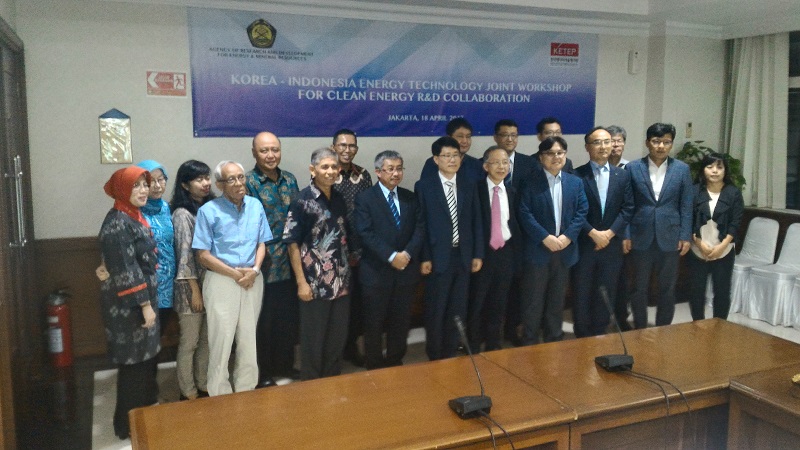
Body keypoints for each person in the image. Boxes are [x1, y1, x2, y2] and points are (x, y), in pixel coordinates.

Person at [192, 161, 272, 396]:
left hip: (252, 278)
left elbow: (261, 243)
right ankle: (219, 393)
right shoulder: (208, 211)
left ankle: (247, 388)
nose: (238, 183)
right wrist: (235, 274)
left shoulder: (255, 206)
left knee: (248, 338)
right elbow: (203, 255)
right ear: (219, 185)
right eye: (231, 179)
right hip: (222, 280)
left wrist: (255, 270)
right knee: (221, 340)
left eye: (241, 177)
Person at [98, 166, 159, 439]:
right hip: (129, 306)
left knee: (143, 362)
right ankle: (126, 426)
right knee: (133, 365)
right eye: (136, 185)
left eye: (145, 184)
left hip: (142, 300)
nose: (144, 190)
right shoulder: (118, 223)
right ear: (122, 189)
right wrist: (145, 306)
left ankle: (142, 418)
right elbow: (126, 269)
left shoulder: (133, 215)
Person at [284, 148, 351, 380]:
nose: (330, 171)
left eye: (334, 167)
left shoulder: (339, 198)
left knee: (337, 337)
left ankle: (332, 379)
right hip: (313, 283)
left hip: (341, 281)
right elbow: (292, 244)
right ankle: (312, 384)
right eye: (325, 167)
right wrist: (301, 283)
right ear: (313, 170)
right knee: (313, 339)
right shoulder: (301, 201)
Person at [354, 150, 424, 369]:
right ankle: (374, 363)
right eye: (390, 169)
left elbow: (420, 228)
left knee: (401, 320)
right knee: (373, 322)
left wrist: (407, 254)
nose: (396, 173)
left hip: (406, 271)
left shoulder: (410, 197)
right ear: (378, 172)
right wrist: (391, 256)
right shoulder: (365, 198)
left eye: (399, 168)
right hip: (376, 272)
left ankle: (395, 359)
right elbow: (365, 232)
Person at [415, 136, 483, 360]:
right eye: (447, 156)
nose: (452, 160)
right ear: (436, 159)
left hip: (463, 256)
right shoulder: (424, 186)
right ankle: (435, 354)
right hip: (437, 257)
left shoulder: (468, 184)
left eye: (456, 155)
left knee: (458, 308)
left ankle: (451, 349)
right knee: (436, 308)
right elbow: (421, 225)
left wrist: (477, 254)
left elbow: (476, 221)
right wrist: (425, 257)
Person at [517, 136, 587, 344]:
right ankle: (530, 339)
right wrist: (544, 237)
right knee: (533, 300)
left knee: (557, 300)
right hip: (538, 250)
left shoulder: (575, 182)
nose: (556, 157)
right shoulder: (529, 182)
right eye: (550, 153)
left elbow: (582, 211)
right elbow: (524, 213)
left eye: (560, 153)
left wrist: (568, 237)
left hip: (565, 250)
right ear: (541, 157)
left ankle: (554, 337)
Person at [245, 131, 301, 387]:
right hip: (264, 264)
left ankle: (285, 365)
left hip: (291, 261)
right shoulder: (248, 182)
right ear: (254, 153)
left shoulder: (289, 179)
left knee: (287, 320)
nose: (271, 155)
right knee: (263, 323)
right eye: (264, 150)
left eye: (275, 149)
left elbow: (299, 216)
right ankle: (262, 373)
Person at [625, 123, 694, 329]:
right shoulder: (633, 168)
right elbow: (627, 205)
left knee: (667, 288)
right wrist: (626, 234)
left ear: (671, 144)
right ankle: (639, 327)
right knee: (639, 287)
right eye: (656, 141)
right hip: (640, 235)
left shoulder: (682, 169)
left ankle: (664, 329)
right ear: (647, 143)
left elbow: (686, 205)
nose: (661, 146)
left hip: (670, 236)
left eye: (666, 142)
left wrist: (685, 235)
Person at [572, 127, 634, 338]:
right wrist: (593, 233)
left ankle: (600, 331)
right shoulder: (576, 175)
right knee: (582, 290)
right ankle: (582, 333)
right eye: (597, 142)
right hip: (585, 243)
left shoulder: (622, 175)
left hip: (611, 244)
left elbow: (628, 209)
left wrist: (609, 233)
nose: (603, 146)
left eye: (607, 142)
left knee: (607, 289)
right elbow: (573, 211)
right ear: (587, 147)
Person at [467, 146, 520, 351]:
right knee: (477, 301)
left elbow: (514, 224)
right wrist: (476, 253)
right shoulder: (475, 189)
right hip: (482, 253)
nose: (501, 166)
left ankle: (493, 343)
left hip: (505, 252)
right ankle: (473, 343)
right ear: (485, 166)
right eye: (496, 162)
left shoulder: (512, 191)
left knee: (500, 301)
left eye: (505, 162)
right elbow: (471, 224)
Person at [170, 160, 214, 401]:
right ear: (185, 185)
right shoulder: (182, 214)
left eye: (207, 177)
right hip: (190, 288)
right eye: (199, 179)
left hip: (211, 285)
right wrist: (195, 291)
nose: (206, 183)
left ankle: (203, 383)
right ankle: (187, 390)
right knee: (190, 341)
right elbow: (184, 255)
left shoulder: (208, 209)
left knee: (207, 339)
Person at [330, 128, 371, 367]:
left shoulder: (363, 175)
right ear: (333, 147)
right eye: (342, 145)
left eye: (352, 145)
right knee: (338, 304)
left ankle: (352, 347)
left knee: (358, 304)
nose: (347, 150)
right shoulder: (325, 172)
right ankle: (334, 351)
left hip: (362, 250)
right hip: (334, 252)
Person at [688, 153, 744, 320]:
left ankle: (720, 327)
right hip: (698, 250)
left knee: (722, 292)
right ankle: (697, 326)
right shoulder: (694, 191)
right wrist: (699, 243)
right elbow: (689, 219)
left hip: (724, 250)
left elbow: (736, 222)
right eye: (710, 167)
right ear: (703, 170)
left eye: (719, 167)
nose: (714, 171)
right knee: (696, 292)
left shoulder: (733, 193)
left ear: (725, 171)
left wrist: (722, 246)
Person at [135, 160, 176, 328]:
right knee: (144, 333)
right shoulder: (134, 210)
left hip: (168, 283)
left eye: (161, 179)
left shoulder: (167, 208)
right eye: (151, 181)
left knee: (160, 332)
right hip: (146, 284)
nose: (157, 186)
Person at [606, 125, 633, 330]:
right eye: (612, 141)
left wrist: (626, 234)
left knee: (623, 280)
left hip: (624, 233)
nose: (616, 145)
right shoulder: (598, 166)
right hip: (601, 233)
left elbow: (632, 206)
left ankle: (622, 318)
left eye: (619, 141)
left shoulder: (632, 169)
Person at [420, 117, 484, 183]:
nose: (465, 141)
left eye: (468, 137)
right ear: (449, 137)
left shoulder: (476, 164)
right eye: (460, 136)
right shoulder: (434, 162)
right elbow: (425, 187)